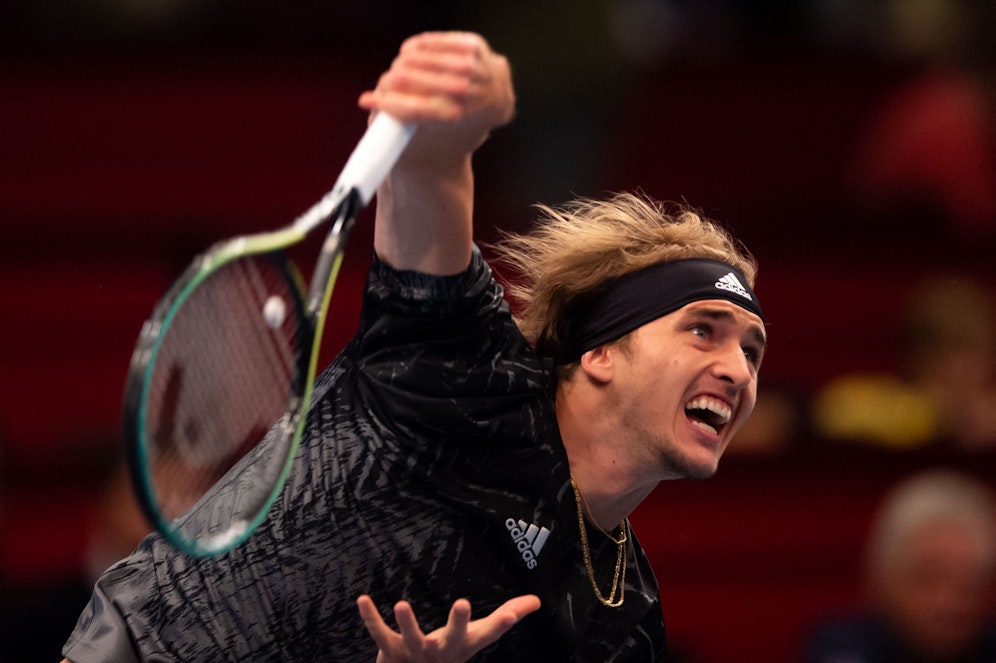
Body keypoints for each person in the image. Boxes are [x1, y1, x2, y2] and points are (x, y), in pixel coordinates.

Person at [61, 31, 766, 662]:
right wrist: (465, 99)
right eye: (702, 328)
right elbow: (428, 169)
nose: (736, 369)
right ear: (601, 352)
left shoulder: (625, 624)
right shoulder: (459, 361)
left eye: (753, 351)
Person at [804, 469, 996, 662]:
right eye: (927, 579)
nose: (947, 604)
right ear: (885, 576)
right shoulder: (842, 648)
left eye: (968, 586)